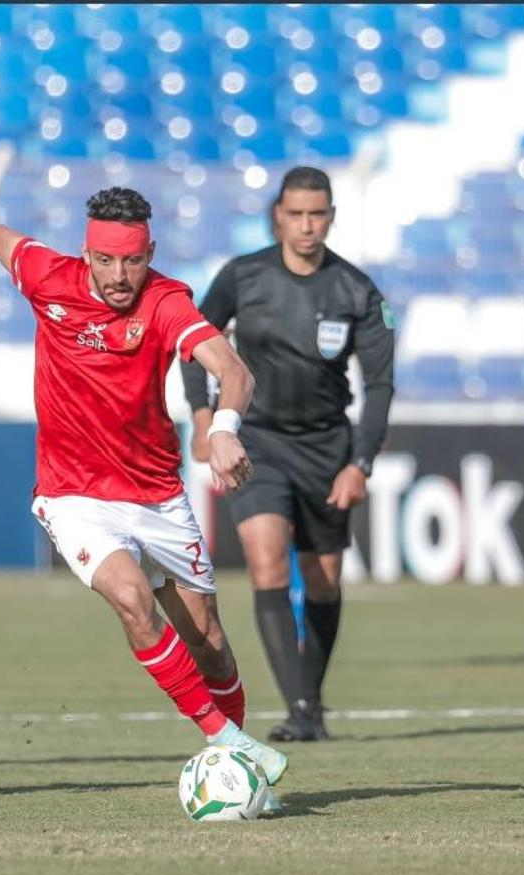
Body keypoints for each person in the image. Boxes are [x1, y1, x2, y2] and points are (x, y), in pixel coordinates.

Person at [0, 186, 289, 811]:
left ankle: (240, 764)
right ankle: (231, 742)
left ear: (148, 252)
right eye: (105, 260)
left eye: (131, 260)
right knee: (131, 599)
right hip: (73, 494)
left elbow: (235, 372)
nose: (119, 274)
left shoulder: (165, 300)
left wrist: (226, 429)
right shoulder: (50, 276)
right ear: (87, 253)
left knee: (208, 640)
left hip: (155, 494)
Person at [181, 166, 396, 742]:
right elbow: (189, 343)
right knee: (267, 560)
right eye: (296, 214)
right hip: (259, 444)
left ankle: (311, 703)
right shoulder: (243, 276)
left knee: (323, 580)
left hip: (328, 448)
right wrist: (205, 418)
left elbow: (379, 386)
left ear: (331, 217)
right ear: (279, 215)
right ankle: (301, 709)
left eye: (317, 214)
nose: (306, 226)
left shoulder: (356, 291)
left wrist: (361, 463)